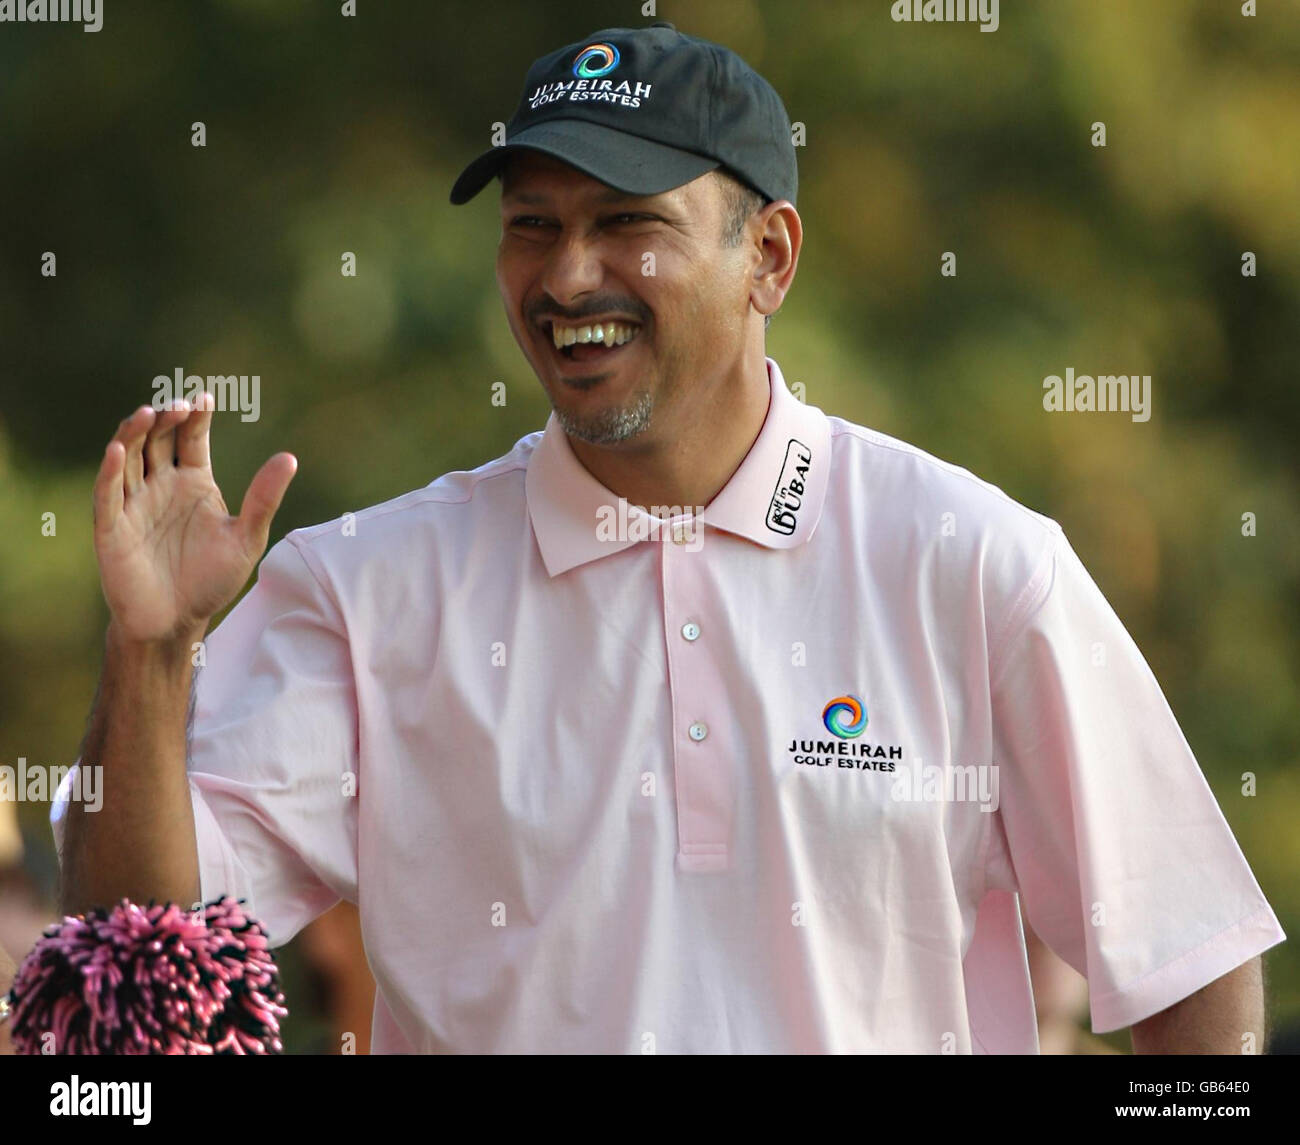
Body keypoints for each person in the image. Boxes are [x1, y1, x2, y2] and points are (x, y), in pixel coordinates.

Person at [50, 22, 1284, 1054]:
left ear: (769, 255)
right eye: (532, 224)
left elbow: (1189, 961)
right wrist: (152, 655)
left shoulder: (971, 562)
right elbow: (139, 951)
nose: (567, 274)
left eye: (626, 220)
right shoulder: (366, 586)